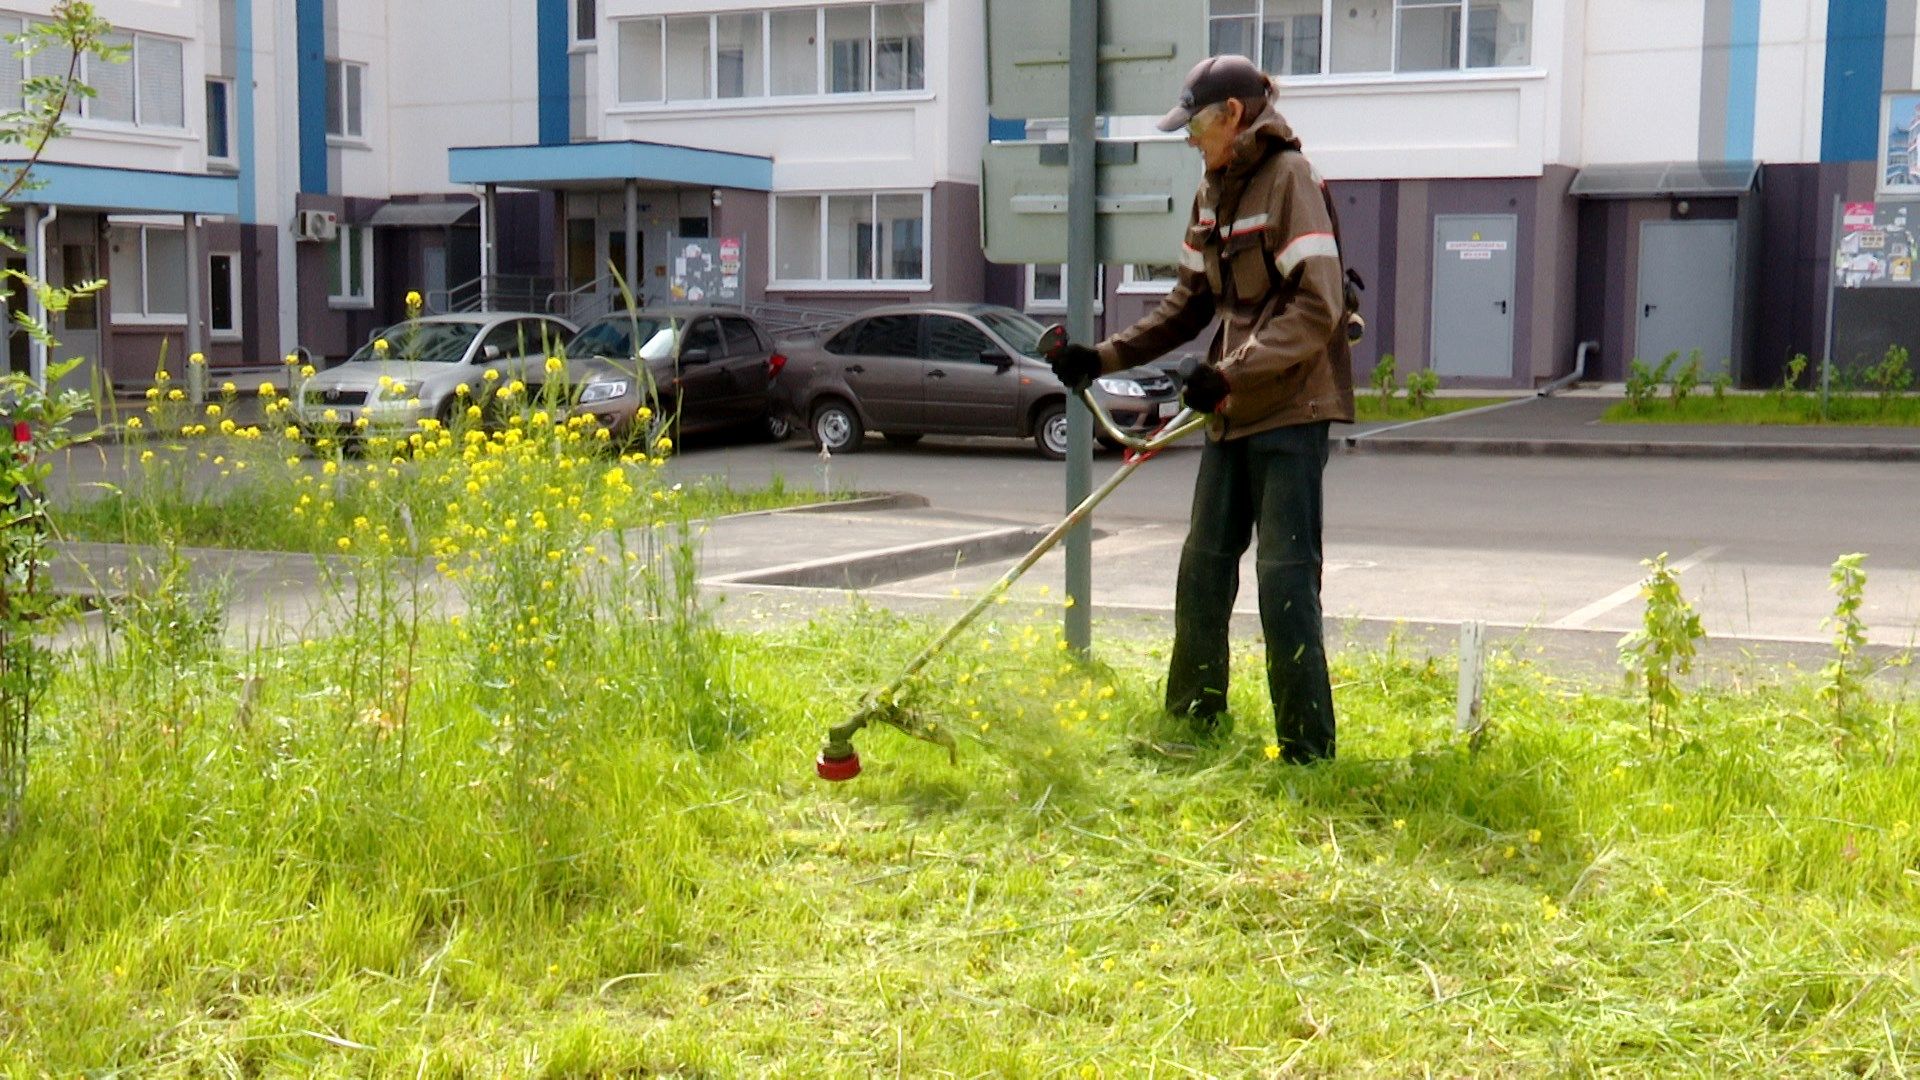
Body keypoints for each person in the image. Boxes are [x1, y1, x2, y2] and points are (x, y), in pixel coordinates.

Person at [1048, 54, 1355, 763]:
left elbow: (1318, 307)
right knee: (1203, 569)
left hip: (1291, 409)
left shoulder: (1291, 182)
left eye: (1195, 125)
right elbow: (1187, 305)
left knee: (1284, 582)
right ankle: (1192, 725)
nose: (1188, 137)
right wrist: (1101, 358)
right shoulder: (1211, 194)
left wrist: (1228, 374)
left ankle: (1307, 753)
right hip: (1231, 408)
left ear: (1234, 117)